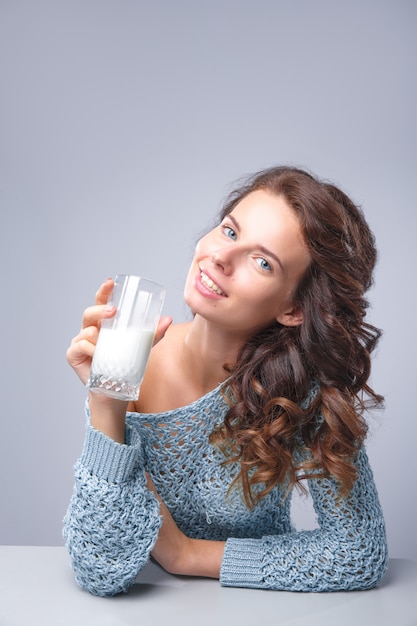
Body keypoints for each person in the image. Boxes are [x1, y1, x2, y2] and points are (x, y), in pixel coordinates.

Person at [64, 165, 388, 597]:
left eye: (262, 262)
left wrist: (189, 556)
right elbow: (100, 570)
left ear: (293, 309)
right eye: (230, 231)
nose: (219, 257)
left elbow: (359, 551)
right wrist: (106, 404)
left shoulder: (300, 394)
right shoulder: (125, 363)